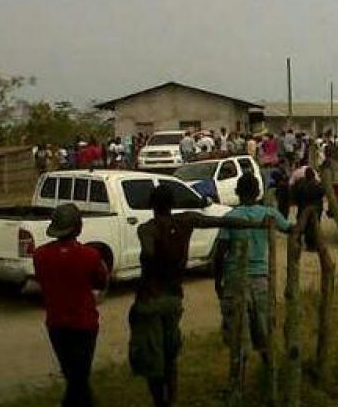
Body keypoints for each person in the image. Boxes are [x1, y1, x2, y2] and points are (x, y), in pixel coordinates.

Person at [128, 185, 261, 407]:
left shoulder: (147, 229)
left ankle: (160, 401)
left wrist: (154, 255)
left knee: (152, 358)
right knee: (170, 354)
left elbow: (148, 252)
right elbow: (225, 222)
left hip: (149, 298)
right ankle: (172, 399)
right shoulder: (186, 221)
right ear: (173, 204)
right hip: (173, 298)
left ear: (152, 205)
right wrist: (256, 223)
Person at [33, 203, 109, 407]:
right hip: (84, 322)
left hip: (56, 322)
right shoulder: (90, 255)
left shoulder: (40, 255)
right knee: (79, 376)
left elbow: (43, 281)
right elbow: (101, 282)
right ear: (77, 227)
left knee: (72, 373)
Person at [214, 175, 292, 369]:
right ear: (258, 193)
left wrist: (218, 282)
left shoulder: (231, 217)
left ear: (237, 192)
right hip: (260, 279)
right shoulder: (269, 214)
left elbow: (220, 253)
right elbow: (292, 229)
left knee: (238, 334)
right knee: (264, 329)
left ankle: (237, 381)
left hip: (235, 278)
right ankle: (269, 371)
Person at [290, 167, 326, 250]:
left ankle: (300, 242)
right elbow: (322, 193)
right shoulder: (317, 184)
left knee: (303, 225)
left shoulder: (300, 183)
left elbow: (295, 193)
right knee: (313, 226)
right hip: (315, 207)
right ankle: (312, 244)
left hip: (303, 206)